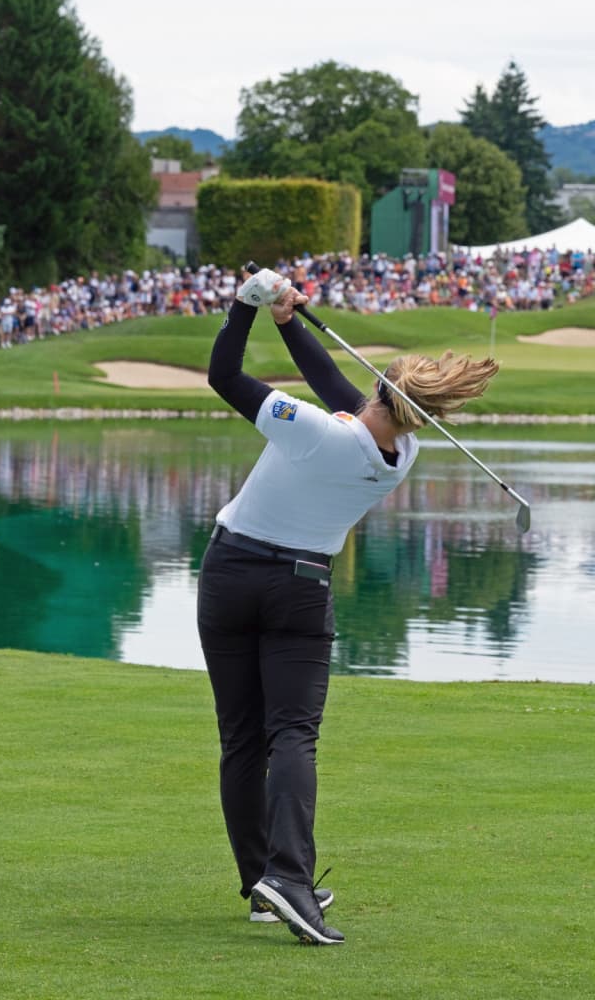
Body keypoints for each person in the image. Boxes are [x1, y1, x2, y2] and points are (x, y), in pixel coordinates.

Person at [198, 268, 498, 947]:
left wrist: (244, 308)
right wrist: (288, 323)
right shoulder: (402, 452)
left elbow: (225, 376)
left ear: (384, 388)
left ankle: (273, 880)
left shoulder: (315, 431)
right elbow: (339, 387)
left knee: (244, 738)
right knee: (292, 735)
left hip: (231, 574)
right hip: (302, 586)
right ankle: (280, 881)